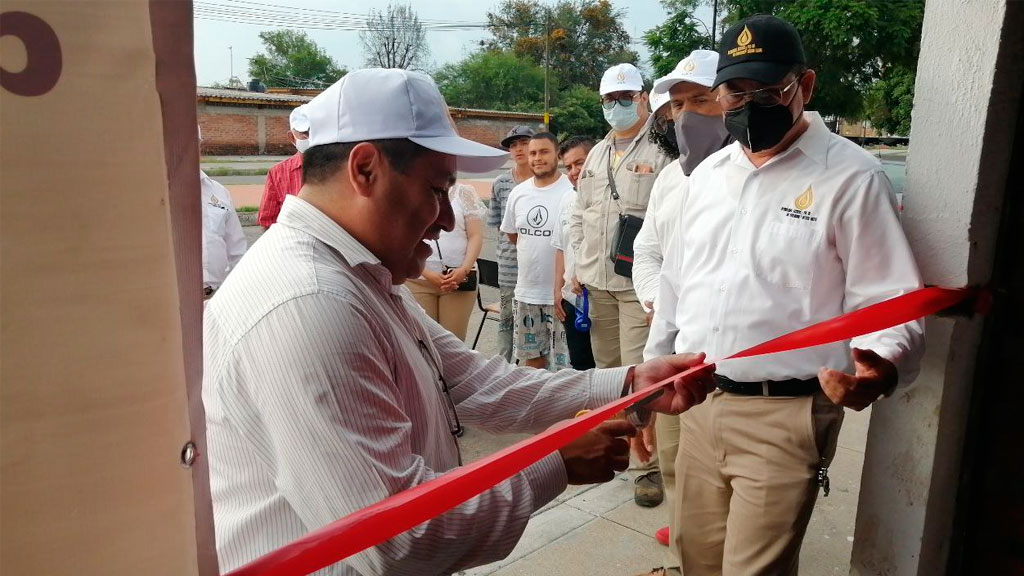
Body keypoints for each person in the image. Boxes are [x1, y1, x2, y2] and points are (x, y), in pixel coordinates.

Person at [202, 68, 717, 576]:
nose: (448, 219)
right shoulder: (309, 304)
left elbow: (471, 381)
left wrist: (630, 383)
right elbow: (395, 541)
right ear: (364, 170)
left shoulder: (352, 274)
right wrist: (554, 463)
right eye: (436, 188)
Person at [647, 16, 925, 575]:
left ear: (806, 86)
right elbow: (677, 286)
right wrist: (649, 377)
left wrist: (882, 366)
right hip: (698, 402)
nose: (750, 105)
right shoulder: (707, 177)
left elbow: (891, 300)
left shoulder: (850, 177)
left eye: (770, 91)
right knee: (696, 561)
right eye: (736, 92)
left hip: (786, 413)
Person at [630, 49, 731, 575]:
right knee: (678, 469)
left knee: (733, 497)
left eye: (702, 99)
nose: (687, 114)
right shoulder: (673, 177)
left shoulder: (755, 177)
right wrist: (653, 296)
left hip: (737, 368)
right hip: (674, 354)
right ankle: (686, 556)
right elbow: (650, 250)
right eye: (678, 104)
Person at [570, 62, 675, 507]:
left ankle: (647, 467)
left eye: (625, 97)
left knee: (640, 377)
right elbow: (579, 214)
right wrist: (576, 266)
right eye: (609, 100)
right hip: (597, 283)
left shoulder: (665, 147)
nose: (617, 106)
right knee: (609, 375)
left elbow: (672, 221)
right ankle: (621, 448)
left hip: (637, 288)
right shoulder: (597, 153)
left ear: (643, 97)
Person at [500, 132, 575, 370]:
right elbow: (513, 235)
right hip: (526, 294)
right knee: (532, 364)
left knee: (566, 365)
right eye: (533, 153)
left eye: (544, 152)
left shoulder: (571, 191)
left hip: (564, 297)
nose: (537, 158)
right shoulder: (518, 193)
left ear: (557, 156)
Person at [406, 181, 485, 341]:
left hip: (458, 280)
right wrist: (427, 273)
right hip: (419, 280)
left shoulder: (464, 192)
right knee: (424, 342)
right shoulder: (410, 190)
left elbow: (475, 235)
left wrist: (464, 269)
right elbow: (403, 238)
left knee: (453, 342)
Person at [487, 125, 535, 362]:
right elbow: (497, 224)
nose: (518, 149)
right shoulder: (501, 183)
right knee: (506, 323)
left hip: (538, 268)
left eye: (524, 143)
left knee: (536, 324)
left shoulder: (544, 180)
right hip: (509, 267)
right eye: (514, 145)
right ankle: (502, 368)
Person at [552, 136, 597, 371]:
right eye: (568, 167)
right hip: (572, 299)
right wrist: (557, 290)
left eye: (580, 163)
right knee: (580, 366)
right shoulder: (566, 198)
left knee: (608, 367)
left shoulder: (609, 196)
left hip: (601, 299)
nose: (574, 171)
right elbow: (561, 247)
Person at [199, 126, 247, 299]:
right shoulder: (157, 195)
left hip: (217, 297)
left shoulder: (218, 192)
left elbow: (237, 250)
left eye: (194, 144)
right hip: (173, 302)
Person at [257, 104, 309, 228]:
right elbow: (267, 220)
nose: (311, 138)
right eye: (305, 133)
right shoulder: (278, 173)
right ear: (292, 137)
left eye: (316, 132)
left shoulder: (338, 167)